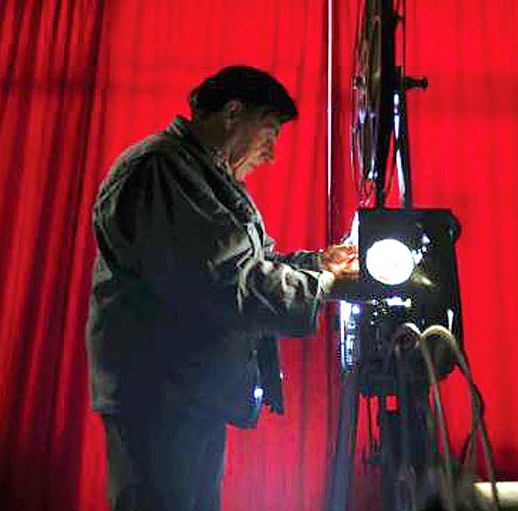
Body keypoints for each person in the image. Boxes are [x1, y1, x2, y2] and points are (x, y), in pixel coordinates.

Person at [86, 65, 358, 511]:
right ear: (233, 113)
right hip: (161, 396)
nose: (271, 153)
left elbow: (251, 263)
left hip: (188, 392)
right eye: (269, 132)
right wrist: (324, 282)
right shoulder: (162, 170)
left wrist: (318, 263)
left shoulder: (203, 176)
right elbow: (226, 283)